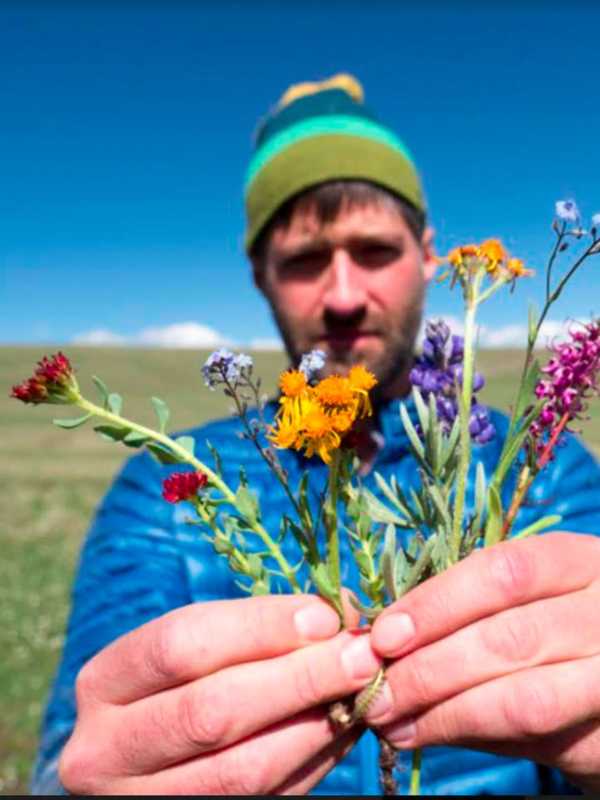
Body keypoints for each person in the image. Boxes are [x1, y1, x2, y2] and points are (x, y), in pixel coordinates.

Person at [31, 74, 600, 796]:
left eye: (373, 250)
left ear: (429, 256)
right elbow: (69, 755)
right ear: (260, 276)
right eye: (303, 259)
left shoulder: (539, 470)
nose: (341, 295)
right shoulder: (173, 487)